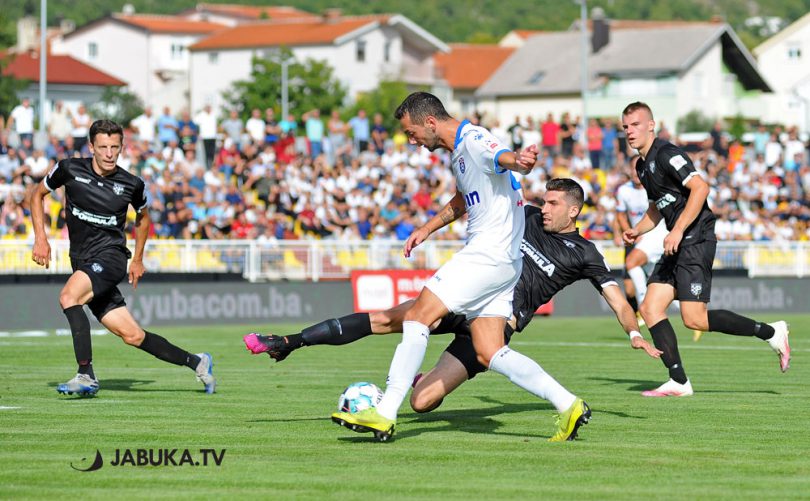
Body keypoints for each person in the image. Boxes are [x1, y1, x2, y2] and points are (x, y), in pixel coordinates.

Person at [244, 180, 662, 435]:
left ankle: (408, 386)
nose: (545, 208)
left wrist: (633, 331)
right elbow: (468, 200)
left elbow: (615, 297)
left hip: (496, 321)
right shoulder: (526, 216)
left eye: (554, 204)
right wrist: (428, 227)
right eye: (545, 201)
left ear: (574, 209)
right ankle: (290, 341)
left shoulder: (585, 253)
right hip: (465, 296)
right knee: (388, 317)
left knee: (422, 402)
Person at [330, 92, 571, 443]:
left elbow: (501, 157)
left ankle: (384, 413)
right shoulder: (459, 152)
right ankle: (568, 403)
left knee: (417, 317)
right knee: (489, 351)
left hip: (486, 254)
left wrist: (519, 161)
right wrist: (426, 228)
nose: (412, 141)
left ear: (430, 122)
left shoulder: (473, 139)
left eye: (412, 133)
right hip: (505, 264)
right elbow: (462, 199)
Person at [29, 119, 216, 397]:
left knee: (69, 297)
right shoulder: (69, 169)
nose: (109, 153)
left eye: (114, 147)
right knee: (133, 335)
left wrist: (137, 259)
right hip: (82, 261)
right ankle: (197, 362)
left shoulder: (132, 184)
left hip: (111, 257)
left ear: (121, 147)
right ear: (91, 147)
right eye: (103, 147)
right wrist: (40, 238)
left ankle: (85, 375)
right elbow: (37, 194)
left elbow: (143, 218)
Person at [620, 101, 790, 397]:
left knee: (694, 318)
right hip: (678, 241)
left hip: (696, 238)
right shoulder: (641, 166)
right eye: (625, 127)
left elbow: (700, 188)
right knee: (649, 308)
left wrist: (677, 229)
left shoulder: (667, 153)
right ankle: (678, 381)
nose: (630, 131)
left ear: (651, 125)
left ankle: (771, 332)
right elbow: (657, 207)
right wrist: (637, 229)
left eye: (635, 124)